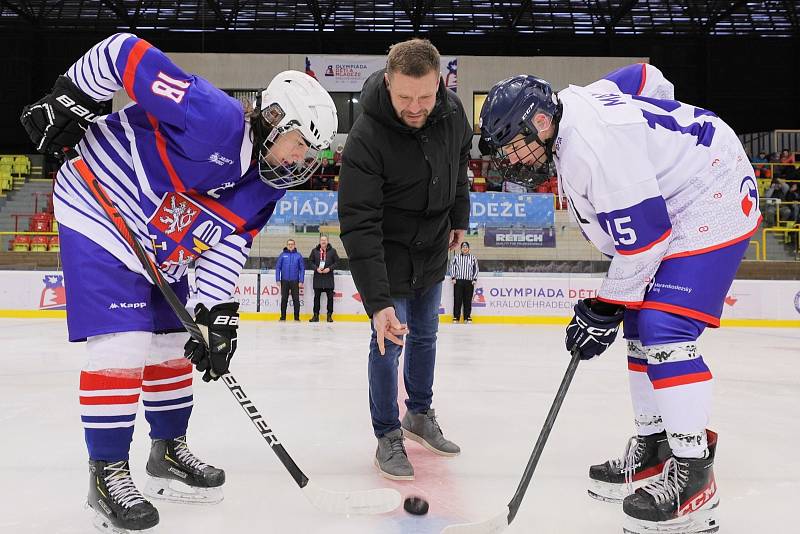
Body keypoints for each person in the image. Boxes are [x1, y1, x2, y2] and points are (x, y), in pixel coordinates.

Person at [19, 32, 336, 533]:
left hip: (162, 246)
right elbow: (125, 53)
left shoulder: (264, 190)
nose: (301, 161)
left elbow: (226, 244)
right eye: (300, 145)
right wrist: (72, 96)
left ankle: (166, 452)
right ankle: (106, 474)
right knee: (123, 344)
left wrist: (217, 318)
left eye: (310, 153)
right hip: (99, 206)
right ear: (274, 120)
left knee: (172, 341)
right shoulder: (213, 116)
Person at [480, 63, 761, 534]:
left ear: (542, 123)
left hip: (715, 191)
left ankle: (694, 474)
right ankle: (654, 447)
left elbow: (646, 243)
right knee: (638, 324)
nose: (512, 158)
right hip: (687, 185)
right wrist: (650, 136)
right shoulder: (574, 102)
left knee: (663, 327)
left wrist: (604, 308)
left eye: (515, 144)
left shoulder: (593, 150)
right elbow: (644, 77)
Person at [338, 38, 472, 481]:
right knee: (388, 342)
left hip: (433, 246)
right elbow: (359, 225)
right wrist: (378, 303)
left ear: (441, 85)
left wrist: (459, 217)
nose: (416, 107)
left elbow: (458, 167)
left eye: (426, 96)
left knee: (427, 336)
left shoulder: (452, 113)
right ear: (388, 83)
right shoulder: (366, 138)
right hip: (388, 253)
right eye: (404, 97)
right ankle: (387, 435)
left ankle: (419, 414)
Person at [307, 234, 339, 322]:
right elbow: (310, 262)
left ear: (327, 241)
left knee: (330, 298)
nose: (323, 241)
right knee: (316, 298)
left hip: (328, 279)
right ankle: (316, 316)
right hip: (318, 278)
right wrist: (316, 268)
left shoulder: (333, 251)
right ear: (319, 241)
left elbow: (337, 262)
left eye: (325, 240)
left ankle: (329, 316)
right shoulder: (314, 251)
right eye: (322, 240)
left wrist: (329, 268)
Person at [275, 238, 305, 321]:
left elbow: (302, 269)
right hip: (284, 281)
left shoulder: (298, 255)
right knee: (284, 299)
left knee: (296, 299)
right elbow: (278, 267)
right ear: (287, 245)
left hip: (295, 281)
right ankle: (283, 317)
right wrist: (278, 279)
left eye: (292, 244)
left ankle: (296, 317)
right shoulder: (282, 255)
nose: (290, 245)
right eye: (289, 244)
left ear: (294, 245)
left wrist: (301, 280)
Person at [450, 241, 479, 322]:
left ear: (468, 249)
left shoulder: (473, 258)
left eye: (466, 247)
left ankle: (467, 317)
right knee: (457, 299)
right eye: (463, 247)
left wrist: (474, 279)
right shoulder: (456, 257)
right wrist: (453, 277)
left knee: (468, 300)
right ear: (461, 248)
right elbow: (452, 267)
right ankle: (456, 317)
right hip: (458, 281)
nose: (465, 248)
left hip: (469, 282)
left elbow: (476, 269)